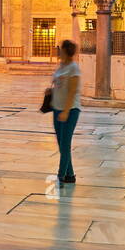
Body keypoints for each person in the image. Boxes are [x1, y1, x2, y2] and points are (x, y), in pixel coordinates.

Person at [49, 39, 81, 184]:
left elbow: (73, 91)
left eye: (61, 49)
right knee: (61, 144)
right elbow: (58, 84)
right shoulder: (61, 66)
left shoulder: (73, 68)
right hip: (57, 108)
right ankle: (70, 175)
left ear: (67, 52)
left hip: (70, 110)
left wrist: (66, 111)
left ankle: (60, 176)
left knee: (65, 144)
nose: (59, 51)